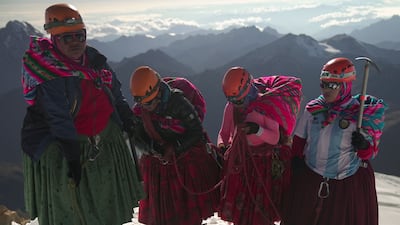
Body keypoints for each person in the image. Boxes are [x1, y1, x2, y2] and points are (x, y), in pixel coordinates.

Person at [20, 3, 144, 225]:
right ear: (54, 39)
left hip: (102, 136)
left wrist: (126, 116)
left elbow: (114, 92)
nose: (76, 42)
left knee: (105, 204)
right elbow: (58, 116)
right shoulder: (48, 72)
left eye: (80, 35)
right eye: (67, 38)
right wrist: (73, 158)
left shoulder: (95, 60)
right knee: (74, 209)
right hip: (64, 143)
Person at [282, 57, 387, 225]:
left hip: (343, 186)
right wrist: (295, 160)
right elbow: (300, 139)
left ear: (345, 86)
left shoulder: (358, 114)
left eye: (332, 85)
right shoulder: (314, 109)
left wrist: (363, 145)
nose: (326, 90)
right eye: (323, 84)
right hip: (310, 179)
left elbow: (368, 153)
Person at [129, 66, 221, 225]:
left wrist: (176, 147)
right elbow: (137, 136)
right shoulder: (140, 110)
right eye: (143, 103)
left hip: (184, 158)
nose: (147, 107)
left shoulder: (178, 102)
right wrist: (153, 149)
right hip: (160, 161)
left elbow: (196, 130)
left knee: (187, 213)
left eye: (149, 102)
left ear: (157, 91)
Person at [217, 67, 302, 225]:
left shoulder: (266, 107)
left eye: (239, 100)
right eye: (233, 101)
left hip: (263, 165)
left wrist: (257, 130)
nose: (237, 104)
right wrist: (222, 146)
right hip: (243, 163)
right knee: (243, 211)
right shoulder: (231, 108)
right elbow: (224, 132)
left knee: (260, 211)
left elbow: (275, 137)